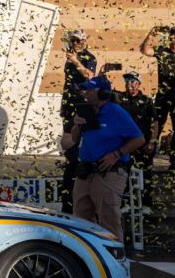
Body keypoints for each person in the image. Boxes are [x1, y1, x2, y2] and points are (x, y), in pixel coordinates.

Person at [68, 76, 144, 241]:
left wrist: (116, 154)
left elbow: (139, 139)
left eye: (89, 89)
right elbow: (74, 139)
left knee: (108, 218)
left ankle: (114, 260)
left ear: (102, 93)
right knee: (80, 218)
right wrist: (77, 125)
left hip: (109, 172)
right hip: (85, 171)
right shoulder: (86, 110)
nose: (85, 92)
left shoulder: (117, 113)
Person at [58, 28, 96, 213]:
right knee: (69, 143)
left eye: (78, 41)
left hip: (82, 105)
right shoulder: (69, 56)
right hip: (69, 103)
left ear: (84, 41)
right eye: (73, 41)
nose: (75, 44)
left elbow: (89, 76)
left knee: (82, 138)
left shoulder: (88, 57)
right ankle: (71, 164)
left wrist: (75, 61)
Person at [115, 70, 157, 212]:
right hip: (125, 144)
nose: (130, 84)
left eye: (133, 81)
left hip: (143, 144)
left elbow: (155, 122)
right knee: (123, 172)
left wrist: (152, 141)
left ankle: (146, 204)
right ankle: (125, 203)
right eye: (127, 81)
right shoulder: (119, 98)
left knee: (146, 172)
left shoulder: (146, 101)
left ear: (139, 84)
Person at [140, 25, 175, 170]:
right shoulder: (163, 51)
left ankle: (173, 164)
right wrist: (150, 34)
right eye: (172, 34)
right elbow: (145, 50)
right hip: (163, 97)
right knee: (155, 127)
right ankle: (146, 162)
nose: (173, 37)